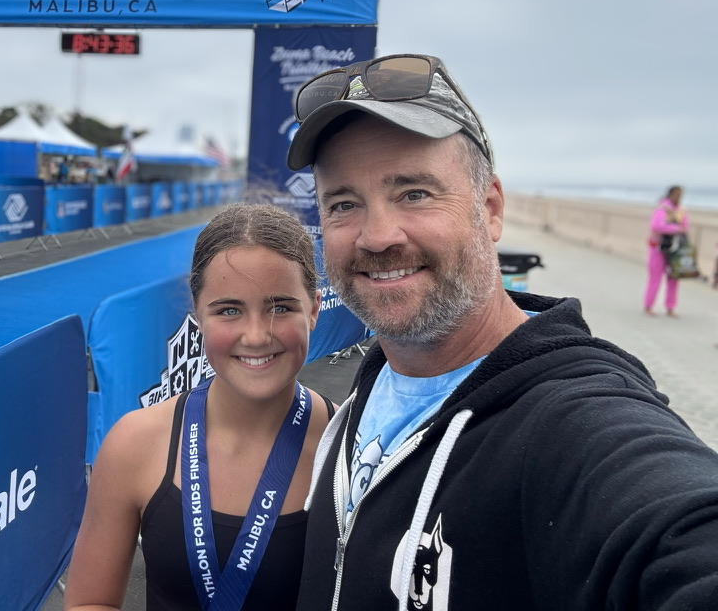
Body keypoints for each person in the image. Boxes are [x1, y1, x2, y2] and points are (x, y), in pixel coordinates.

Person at [285, 54, 718, 610]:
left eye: (414, 193)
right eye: (343, 204)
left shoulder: (569, 423)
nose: (376, 236)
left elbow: (674, 525)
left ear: (489, 208)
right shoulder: (373, 382)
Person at [64, 202, 335, 611]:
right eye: (229, 310)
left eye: (280, 307)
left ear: (313, 309)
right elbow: (90, 601)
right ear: (197, 315)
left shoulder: (352, 445)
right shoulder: (135, 444)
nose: (257, 336)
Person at [643, 185, 690, 316]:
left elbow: (686, 227)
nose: (678, 197)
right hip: (658, 248)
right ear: (670, 194)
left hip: (675, 249)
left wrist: (674, 228)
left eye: (680, 194)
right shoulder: (662, 208)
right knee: (655, 277)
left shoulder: (682, 211)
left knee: (674, 278)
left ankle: (670, 307)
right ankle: (648, 305)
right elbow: (656, 225)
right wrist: (675, 228)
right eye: (676, 194)